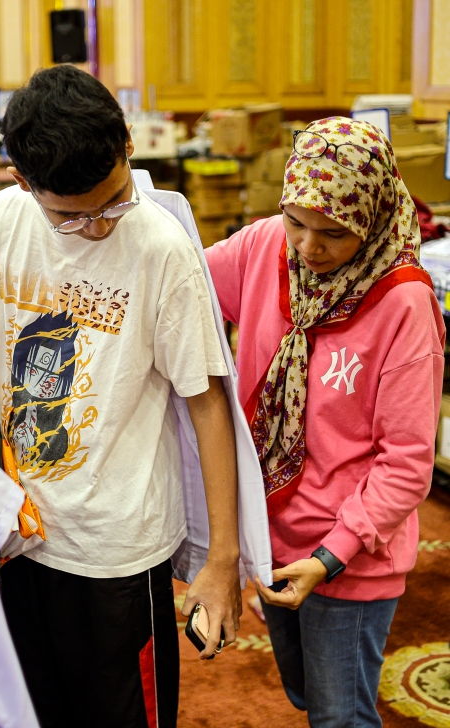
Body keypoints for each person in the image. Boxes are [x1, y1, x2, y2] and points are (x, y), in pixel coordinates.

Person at [0, 64, 242, 727]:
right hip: (17, 532)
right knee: (32, 706)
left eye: (116, 200)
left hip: (117, 551)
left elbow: (207, 403)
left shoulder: (161, 250)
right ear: (24, 183)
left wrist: (221, 560)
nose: (104, 225)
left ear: (126, 145)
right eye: (74, 218)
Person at [205, 117, 444, 728]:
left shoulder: (403, 303)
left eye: (333, 233)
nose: (308, 248)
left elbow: (407, 465)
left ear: (369, 221)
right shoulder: (264, 248)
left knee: (340, 718)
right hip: (271, 539)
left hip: (349, 555)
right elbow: (180, 278)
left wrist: (331, 556)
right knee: (306, 694)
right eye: (296, 222)